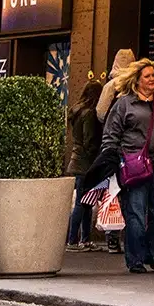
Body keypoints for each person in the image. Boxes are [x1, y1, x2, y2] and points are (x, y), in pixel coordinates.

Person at [98, 56, 154, 274]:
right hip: (133, 164)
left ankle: (151, 253)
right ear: (137, 80)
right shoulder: (125, 103)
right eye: (148, 76)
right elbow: (110, 134)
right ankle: (135, 259)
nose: (153, 79)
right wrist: (115, 159)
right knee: (135, 211)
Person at [65, 74, 107, 251]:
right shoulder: (89, 114)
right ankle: (74, 240)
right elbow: (90, 141)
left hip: (77, 160)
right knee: (83, 203)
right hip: (86, 164)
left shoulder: (76, 110)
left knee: (85, 202)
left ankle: (83, 239)